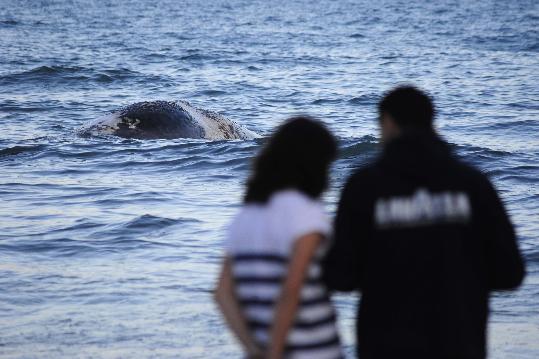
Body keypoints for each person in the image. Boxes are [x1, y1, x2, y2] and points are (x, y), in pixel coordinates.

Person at [322, 86, 526, 359]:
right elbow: (509, 273)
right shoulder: (473, 184)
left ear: (388, 123)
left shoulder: (364, 187)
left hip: (385, 342)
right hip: (459, 340)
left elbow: (341, 277)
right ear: (432, 122)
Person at [214, 117, 343, 359]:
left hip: (261, 348)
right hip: (315, 350)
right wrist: (275, 353)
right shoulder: (308, 215)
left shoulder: (245, 217)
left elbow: (222, 293)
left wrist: (253, 349)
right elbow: (291, 291)